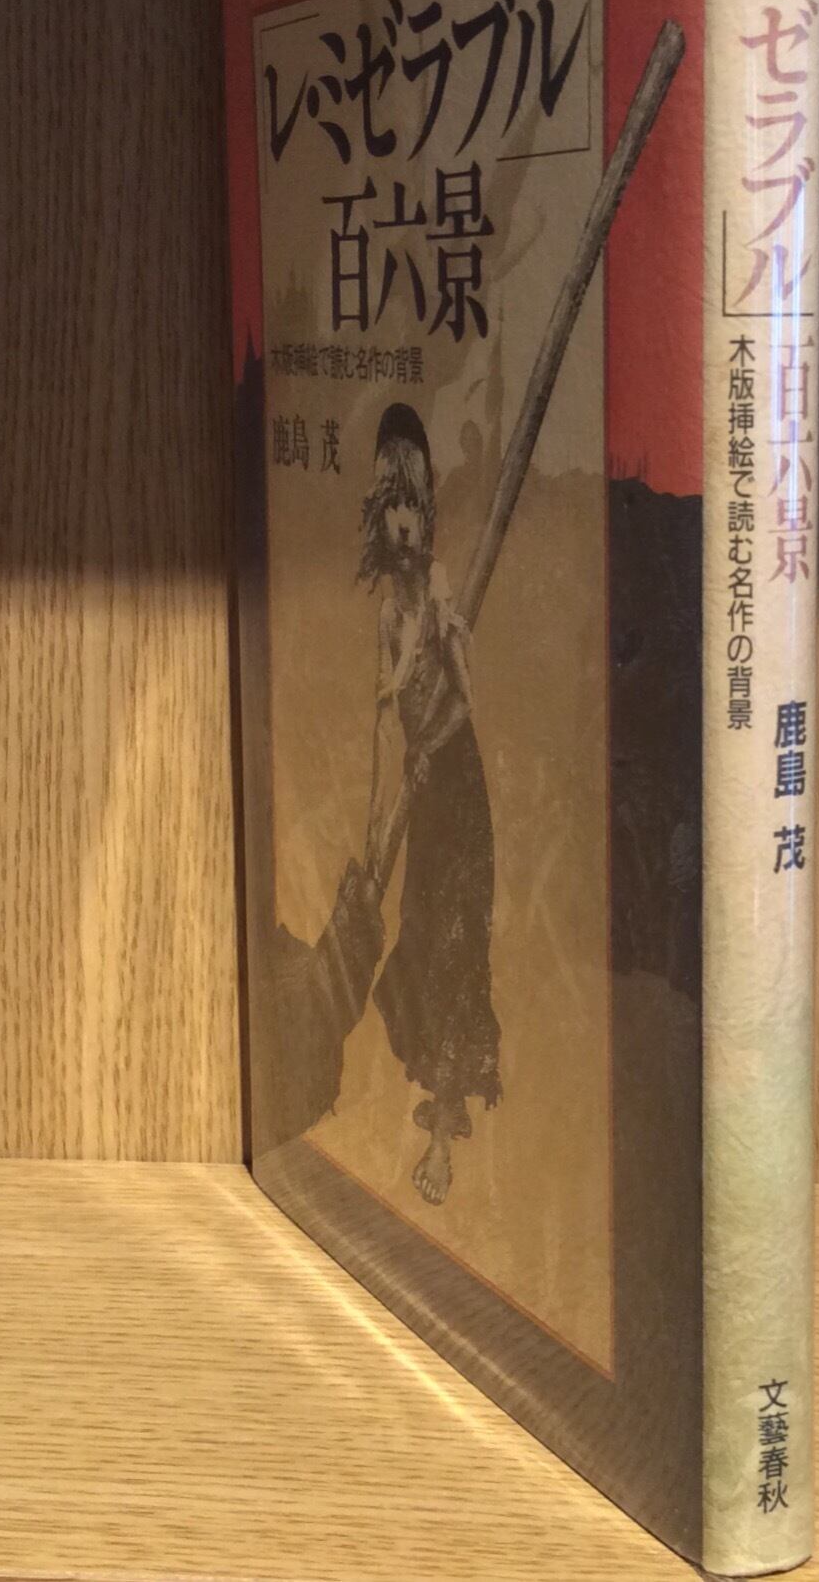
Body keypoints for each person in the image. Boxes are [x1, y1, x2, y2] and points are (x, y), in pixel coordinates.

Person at [358, 403, 500, 1205]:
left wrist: (428, 748)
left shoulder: (442, 596)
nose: (406, 523)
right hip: (423, 805)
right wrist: (374, 828)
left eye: (415, 505)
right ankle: (439, 1113)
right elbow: (386, 725)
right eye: (394, 507)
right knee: (420, 945)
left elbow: (463, 704)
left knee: (454, 953)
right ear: (381, 519)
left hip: (460, 796)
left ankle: (441, 1146)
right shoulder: (390, 615)